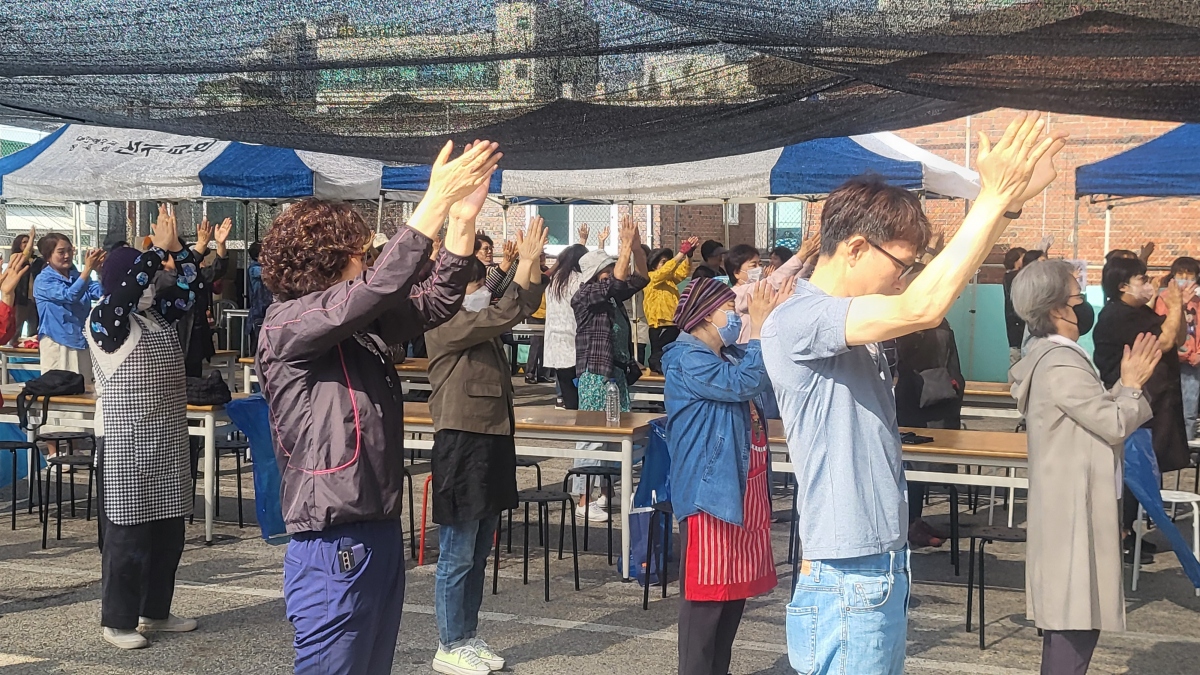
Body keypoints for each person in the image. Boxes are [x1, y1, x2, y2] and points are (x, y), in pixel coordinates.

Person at [761, 112, 1065, 674]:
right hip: (848, 568)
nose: (903, 278)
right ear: (856, 248)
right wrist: (992, 199)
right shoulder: (799, 319)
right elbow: (922, 306)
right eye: (900, 264)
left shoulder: (845, 321)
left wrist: (1005, 207)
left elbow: (925, 295)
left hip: (870, 558)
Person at [257, 140, 500, 675]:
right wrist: (434, 201)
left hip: (378, 530)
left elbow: (435, 300)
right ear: (329, 260)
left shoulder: (357, 325)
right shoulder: (286, 325)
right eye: (361, 253)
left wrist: (461, 222)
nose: (368, 262)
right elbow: (376, 287)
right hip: (331, 541)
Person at [1009, 259, 1158, 675]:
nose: (1084, 304)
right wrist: (1132, 387)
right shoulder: (1060, 361)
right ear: (1057, 308)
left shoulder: (1054, 357)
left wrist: (1125, 385)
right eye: (1078, 296)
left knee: (1073, 615)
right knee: (1074, 618)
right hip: (1072, 504)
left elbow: (1093, 410)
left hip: (1067, 497)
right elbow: (1112, 423)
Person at [425, 218, 547, 675]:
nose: (481, 290)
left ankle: (467, 634)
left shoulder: (477, 317)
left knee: (479, 549)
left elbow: (517, 302)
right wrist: (523, 265)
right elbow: (503, 311)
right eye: (474, 284)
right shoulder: (444, 319)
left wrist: (527, 266)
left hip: (492, 437)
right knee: (457, 551)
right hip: (462, 438)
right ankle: (449, 642)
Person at [87, 206, 202, 650]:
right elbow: (124, 293)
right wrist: (152, 252)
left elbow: (192, 290)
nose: (154, 285)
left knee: (168, 533)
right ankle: (117, 620)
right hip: (128, 444)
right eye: (148, 279)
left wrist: (180, 250)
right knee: (127, 536)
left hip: (168, 438)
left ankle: (156, 610)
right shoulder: (106, 319)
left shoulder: (155, 316)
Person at [662, 276, 789, 675]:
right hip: (709, 492)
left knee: (733, 594)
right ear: (704, 315)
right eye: (729, 310)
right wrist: (761, 330)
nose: (736, 317)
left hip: (740, 490)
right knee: (707, 600)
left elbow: (763, 375)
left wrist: (775, 317)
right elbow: (745, 384)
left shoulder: (729, 355)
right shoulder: (686, 358)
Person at [1092, 255, 1193, 562]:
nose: (1149, 284)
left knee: (1147, 467)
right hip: (1132, 400)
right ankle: (1119, 533)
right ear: (1123, 286)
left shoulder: (1141, 312)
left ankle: (1130, 528)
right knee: (1130, 470)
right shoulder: (1117, 316)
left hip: (1157, 400)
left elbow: (1177, 337)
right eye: (1142, 279)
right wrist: (1174, 306)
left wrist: (1178, 309)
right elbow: (1162, 343)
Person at [570, 215, 648, 519]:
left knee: (615, 435)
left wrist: (636, 248)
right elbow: (615, 281)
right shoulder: (585, 295)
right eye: (607, 270)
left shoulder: (612, 298)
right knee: (592, 437)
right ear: (596, 275)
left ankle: (605, 492)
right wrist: (624, 247)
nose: (615, 273)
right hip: (595, 374)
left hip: (616, 375)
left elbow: (639, 279)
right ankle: (582, 499)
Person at [894, 312, 964, 549]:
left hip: (941, 395)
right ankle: (908, 525)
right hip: (916, 397)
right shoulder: (910, 316)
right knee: (913, 464)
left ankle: (915, 520)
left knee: (924, 463)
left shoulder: (937, 317)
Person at [34, 233, 104, 382]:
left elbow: (102, 293)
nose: (67, 256)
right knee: (58, 389)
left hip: (82, 341)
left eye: (69, 250)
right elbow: (70, 296)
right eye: (61, 252)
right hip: (57, 343)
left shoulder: (77, 276)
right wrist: (87, 270)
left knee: (84, 386)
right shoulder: (43, 280)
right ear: (48, 256)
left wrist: (100, 272)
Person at [1155, 257, 1200, 442]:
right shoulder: (1163, 298)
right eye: (1180, 274)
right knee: (1167, 405)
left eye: (1189, 275)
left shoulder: (1197, 300)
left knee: (1189, 405)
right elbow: (1162, 325)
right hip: (1169, 358)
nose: (1185, 279)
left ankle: (1188, 445)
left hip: (1192, 362)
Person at [543, 243, 589, 410]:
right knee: (583, 392)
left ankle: (572, 416)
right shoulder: (581, 280)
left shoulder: (552, 281)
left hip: (555, 342)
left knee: (567, 389)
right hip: (576, 341)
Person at [184, 218, 231, 378]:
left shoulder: (200, 275)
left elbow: (218, 269)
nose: (202, 261)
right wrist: (200, 245)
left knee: (194, 379)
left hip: (196, 337)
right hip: (175, 340)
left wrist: (221, 244)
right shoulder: (166, 277)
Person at [644, 237, 697, 373]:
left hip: (672, 322)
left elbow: (682, 272)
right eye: (663, 262)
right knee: (658, 351)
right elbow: (664, 272)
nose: (667, 264)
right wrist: (680, 254)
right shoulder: (651, 277)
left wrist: (688, 256)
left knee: (669, 349)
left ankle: (666, 368)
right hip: (659, 323)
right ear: (654, 265)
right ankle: (656, 367)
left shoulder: (669, 280)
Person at [9, 231, 38, 345]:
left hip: (34, 300)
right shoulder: (16, 257)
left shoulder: (37, 261)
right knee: (16, 329)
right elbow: (25, 254)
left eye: (28, 242)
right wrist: (32, 237)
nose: (27, 244)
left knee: (33, 329)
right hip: (21, 299)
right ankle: (12, 350)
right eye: (24, 242)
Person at [1002, 246, 1028, 365]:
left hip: (1016, 326)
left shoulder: (1011, 276)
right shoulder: (1013, 276)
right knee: (1017, 360)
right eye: (1023, 258)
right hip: (1017, 326)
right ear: (1015, 261)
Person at [246, 241, 272, 355]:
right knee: (257, 345)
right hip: (259, 312)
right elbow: (268, 274)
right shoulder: (254, 269)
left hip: (268, 310)